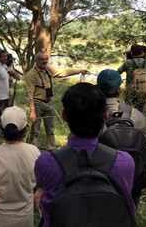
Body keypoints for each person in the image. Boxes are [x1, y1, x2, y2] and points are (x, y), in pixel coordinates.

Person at [34, 83, 136, 227]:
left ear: (64, 116)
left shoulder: (47, 162)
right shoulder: (124, 162)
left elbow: (45, 206)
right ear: (106, 115)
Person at [97, 69, 146, 206]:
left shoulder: (91, 115)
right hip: (132, 179)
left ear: (98, 88)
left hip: (100, 182)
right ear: (120, 89)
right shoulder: (137, 115)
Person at [25, 51, 88, 149]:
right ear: (36, 60)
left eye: (46, 59)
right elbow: (30, 95)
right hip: (37, 103)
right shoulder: (31, 75)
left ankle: (52, 148)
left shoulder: (48, 69)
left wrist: (79, 71)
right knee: (35, 130)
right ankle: (32, 149)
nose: (45, 62)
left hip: (48, 103)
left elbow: (62, 72)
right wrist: (32, 111)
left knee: (50, 128)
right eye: (42, 60)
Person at [118, 44, 146, 113]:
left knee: (128, 110)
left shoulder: (128, 63)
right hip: (143, 89)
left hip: (130, 90)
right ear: (142, 52)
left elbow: (118, 71)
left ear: (131, 53)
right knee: (141, 110)